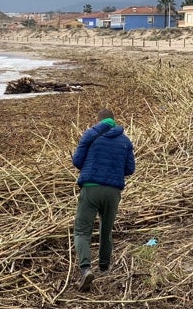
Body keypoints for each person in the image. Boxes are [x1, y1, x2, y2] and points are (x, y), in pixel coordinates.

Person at [71, 108, 135, 292]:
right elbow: (130, 169)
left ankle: (85, 269)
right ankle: (104, 268)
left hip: (91, 189)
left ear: (98, 120)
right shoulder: (125, 141)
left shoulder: (91, 135)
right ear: (114, 121)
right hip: (113, 191)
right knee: (106, 230)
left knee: (82, 232)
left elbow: (77, 161)